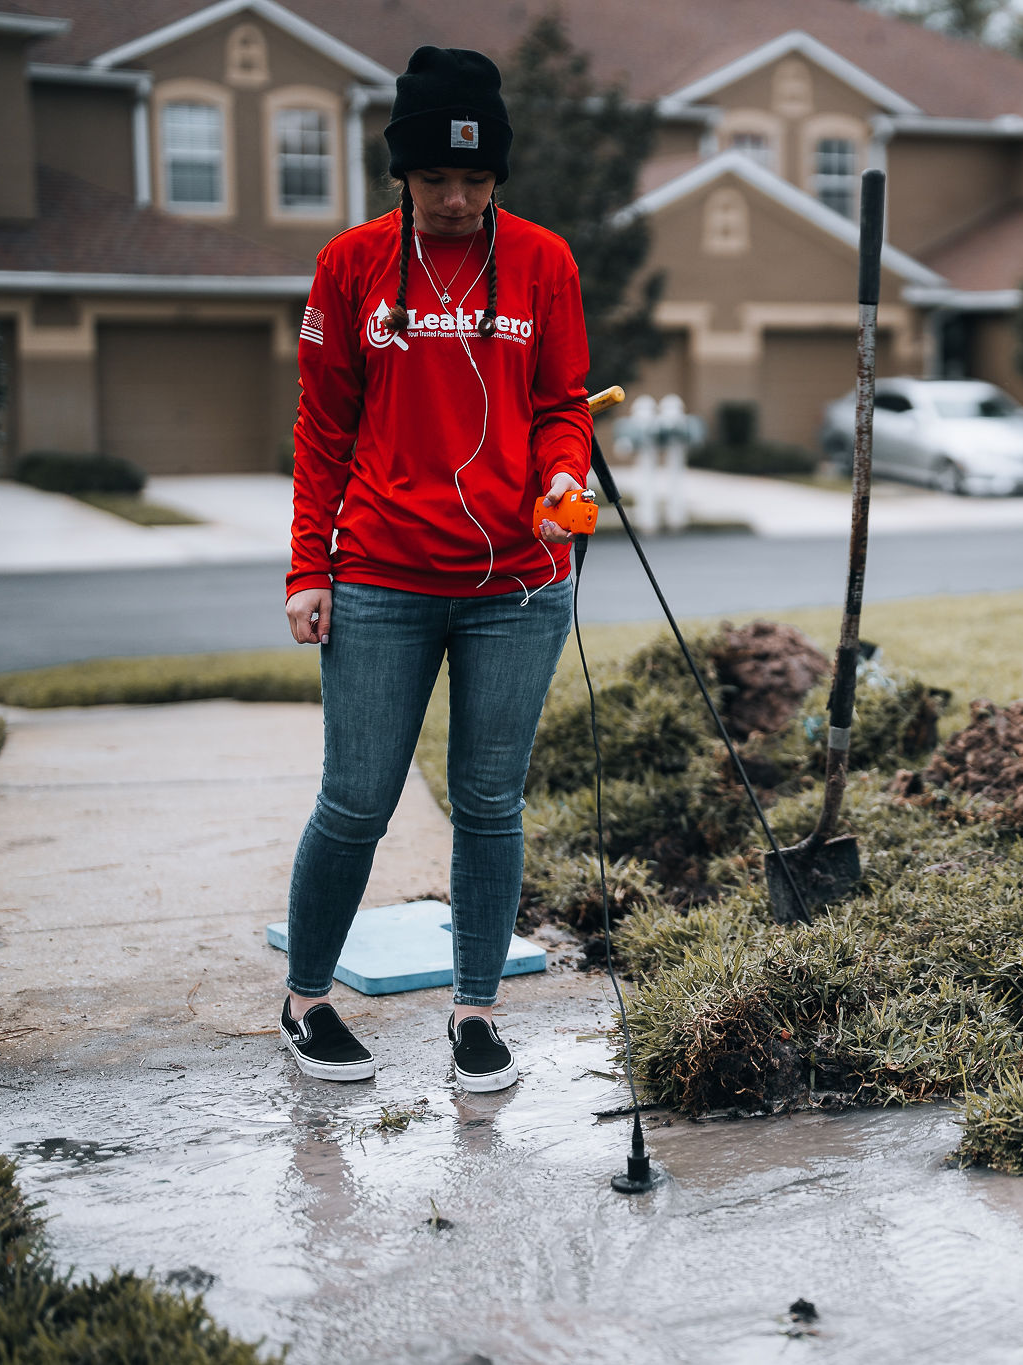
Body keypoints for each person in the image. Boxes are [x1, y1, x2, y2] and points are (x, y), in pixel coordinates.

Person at [279, 46, 593, 1092]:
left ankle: (474, 1012)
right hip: (380, 576)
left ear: (497, 176)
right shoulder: (352, 264)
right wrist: (306, 568)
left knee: (490, 803)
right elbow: (321, 426)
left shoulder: (545, 263)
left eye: (474, 180)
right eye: (433, 182)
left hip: (518, 584)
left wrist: (560, 480)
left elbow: (560, 405)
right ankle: (309, 997)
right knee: (357, 801)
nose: (455, 200)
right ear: (401, 177)